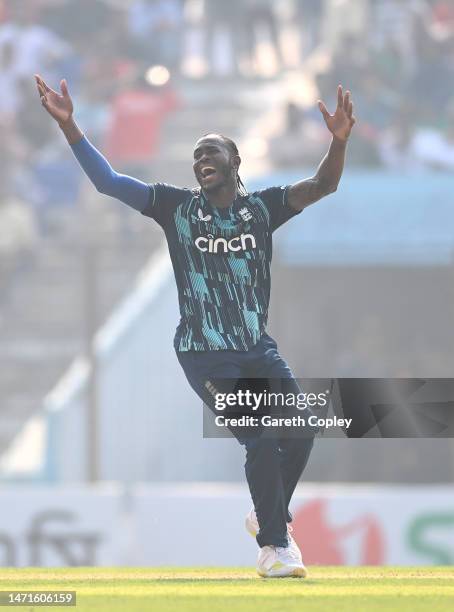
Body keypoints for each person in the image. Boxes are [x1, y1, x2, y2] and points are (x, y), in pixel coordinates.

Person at [35, 73, 355, 578]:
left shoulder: (261, 210)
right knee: (257, 438)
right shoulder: (176, 207)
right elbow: (109, 183)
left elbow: (324, 185)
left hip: (256, 348)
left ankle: (267, 515)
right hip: (206, 353)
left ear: (235, 161)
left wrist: (338, 142)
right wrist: (72, 126)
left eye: (212, 154)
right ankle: (274, 546)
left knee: (299, 431)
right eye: (196, 158)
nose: (202, 162)